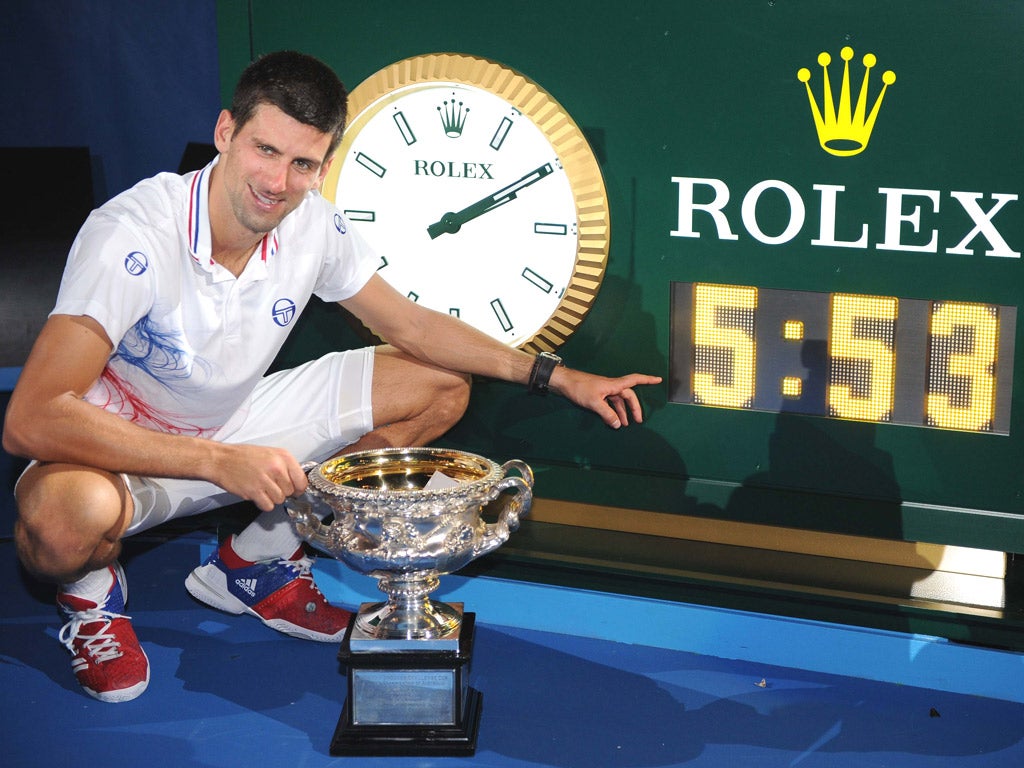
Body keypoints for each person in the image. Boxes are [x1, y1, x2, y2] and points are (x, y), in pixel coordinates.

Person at [1, 51, 661, 704]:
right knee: (65, 525)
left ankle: (254, 562)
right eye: (265, 150)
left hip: (234, 425)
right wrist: (215, 460)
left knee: (437, 386)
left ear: (324, 164)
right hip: (118, 451)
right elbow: (31, 417)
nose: (278, 182)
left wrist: (555, 374)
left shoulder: (310, 222)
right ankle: (91, 598)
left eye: (303, 163)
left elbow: (413, 327)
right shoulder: (131, 236)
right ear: (226, 132)